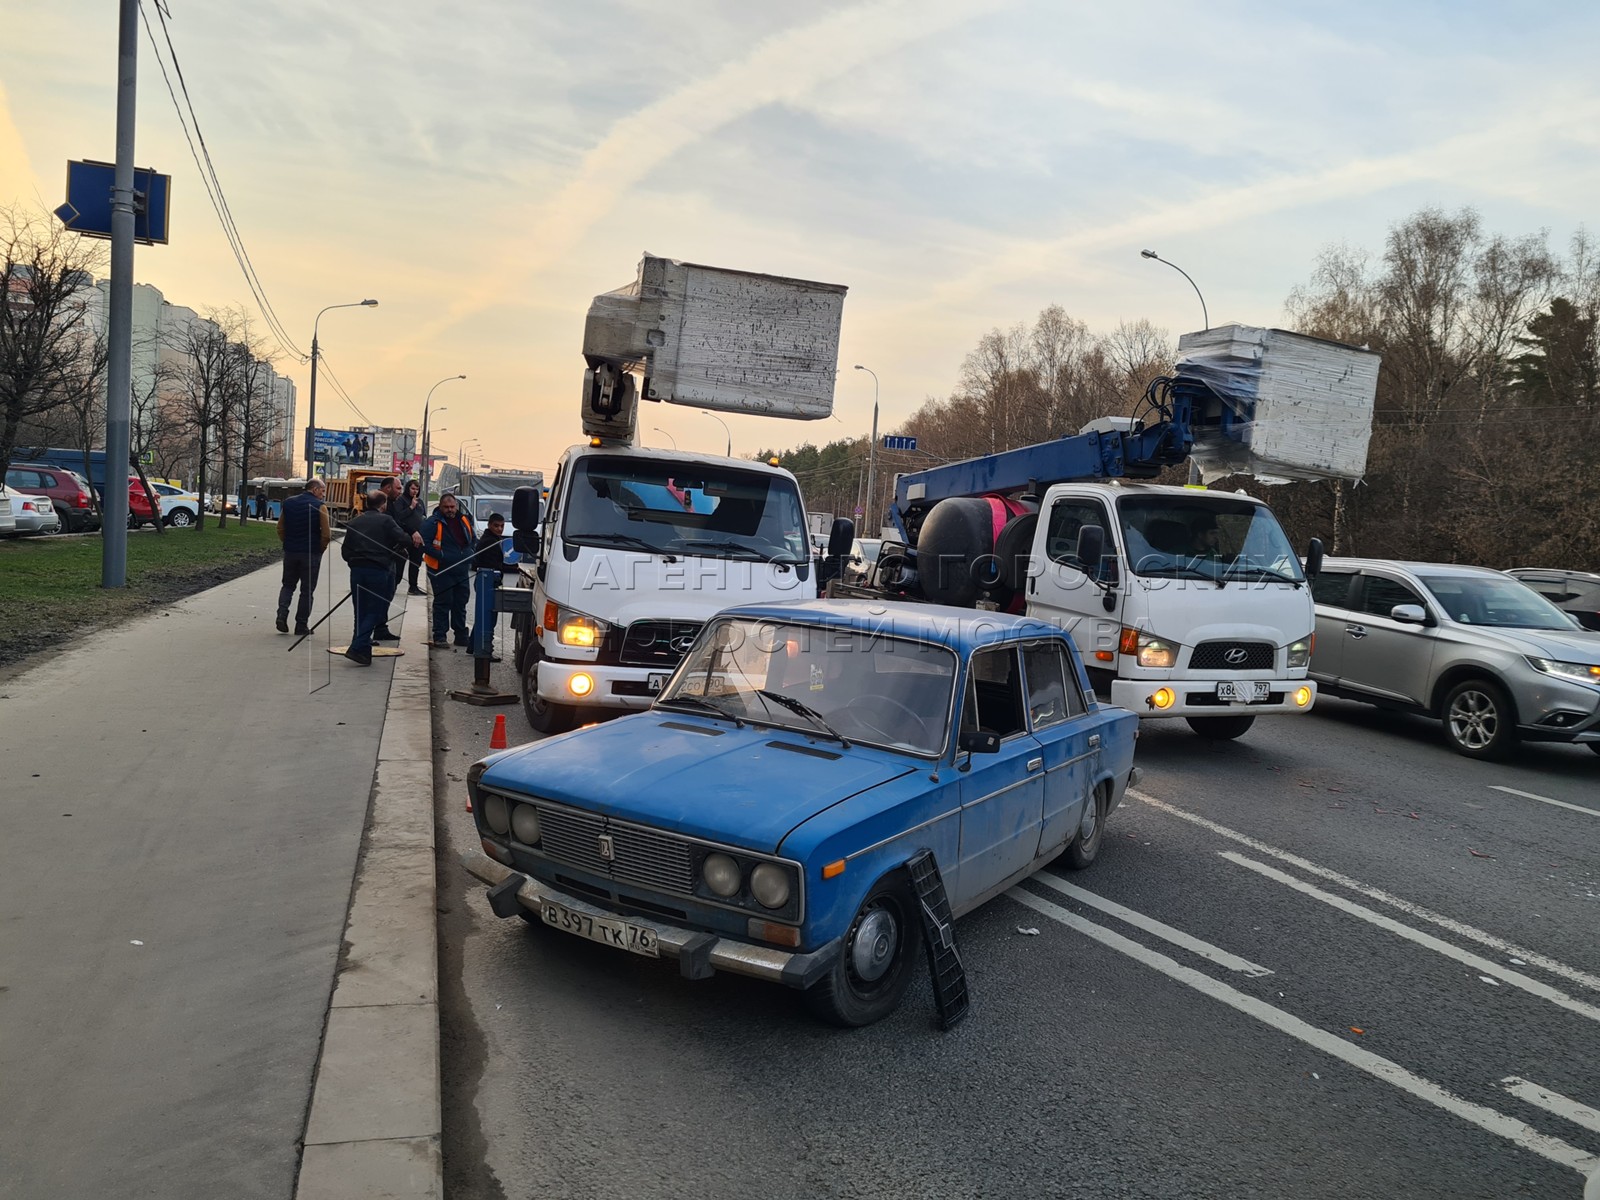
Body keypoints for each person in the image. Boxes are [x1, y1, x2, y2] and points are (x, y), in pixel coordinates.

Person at [339, 489, 421, 666]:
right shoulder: (386, 520)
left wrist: (354, 562)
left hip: (357, 570)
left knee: (360, 610)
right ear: (383, 505)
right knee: (375, 611)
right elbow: (405, 540)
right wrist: (392, 550)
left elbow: (345, 551)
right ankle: (357, 646)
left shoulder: (355, 522)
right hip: (378, 570)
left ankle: (362, 651)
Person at [275, 478, 331, 635]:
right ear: (314, 490)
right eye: (322, 490)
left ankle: (282, 614)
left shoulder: (288, 503)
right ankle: (301, 625)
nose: (323, 494)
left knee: (287, 585)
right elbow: (326, 534)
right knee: (307, 591)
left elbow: (280, 528)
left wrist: (288, 543)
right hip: (311, 553)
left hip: (291, 552)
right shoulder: (320, 507)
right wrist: (320, 549)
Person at [421, 493, 476, 648]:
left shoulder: (464, 520)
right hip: (441, 569)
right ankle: (440, 636)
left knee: (460, 602)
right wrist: (441, 555)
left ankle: (460, 635)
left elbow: (472, 539)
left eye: (452, 507)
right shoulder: (432, 523)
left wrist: (471, 552)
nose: (450, 510)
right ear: (440, 507)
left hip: (462, 569)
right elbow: (424, 543)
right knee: (443, 602)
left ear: (456, 506)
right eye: (446, 507)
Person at [468, 512, 515, 659]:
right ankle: (483, 649)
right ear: (489, 525)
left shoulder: (492, 538)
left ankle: (473, 646)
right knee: (488, 618)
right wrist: (513, 568)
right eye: (496, 526)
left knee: (484, 616)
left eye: (502, 526)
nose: (499, 529)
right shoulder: (490, 541)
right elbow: (492, 564)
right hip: (487, 581)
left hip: (486, 580)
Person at [371, 476, 405, 643]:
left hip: (391, 557)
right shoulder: (380, 507)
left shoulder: (394, 504)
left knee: (387, 593)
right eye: (398, 488)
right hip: (382, 559)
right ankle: (373, 630)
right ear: (388, 489)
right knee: (379, 595)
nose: (401, 492)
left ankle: (380, 627)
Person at [393, 479, 427, 594]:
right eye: (412, 488)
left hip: (418, 537)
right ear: (408, 488)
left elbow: (423, 517)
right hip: (405, 536)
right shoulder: (401, 500)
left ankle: (413, 587)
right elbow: (398, 518)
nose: (415, 491)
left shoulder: (420, 502)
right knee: (400, 562)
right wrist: (411, 507)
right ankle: (394, 584)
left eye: (417, 489)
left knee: (415, 563)